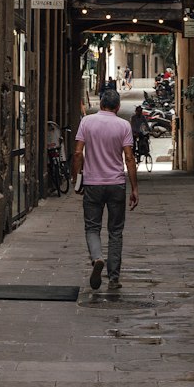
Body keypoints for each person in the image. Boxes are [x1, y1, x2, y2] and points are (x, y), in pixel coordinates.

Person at [72, 87, 138, 292]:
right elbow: (128, 158)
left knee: (92, 227)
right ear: (117, 107)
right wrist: (134, 188)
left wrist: (77, 178)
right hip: (116, 184)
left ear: (101, 104)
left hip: (93, 184)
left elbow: (77, 152)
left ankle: (97, 257)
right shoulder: (124, 125)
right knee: (115, 231)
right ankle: (114, 278)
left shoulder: (87, 122)